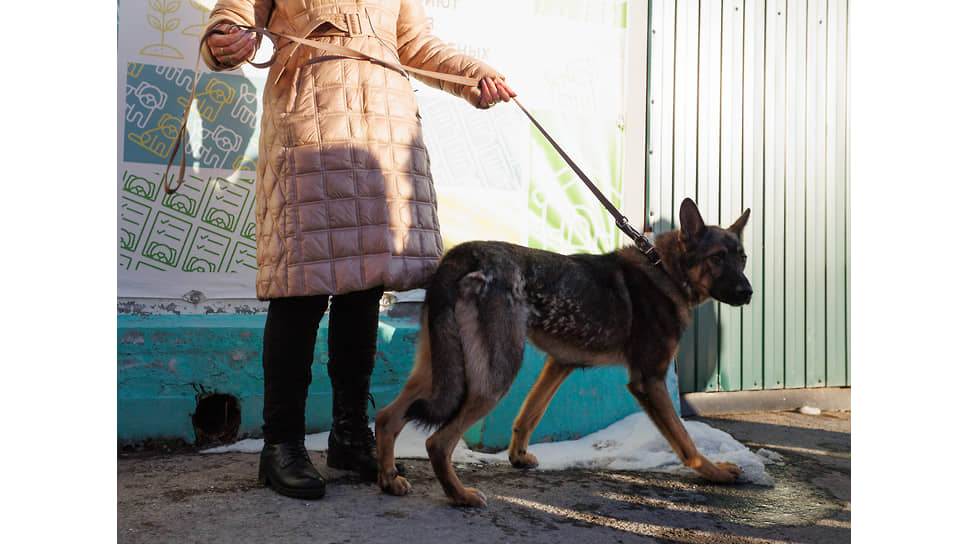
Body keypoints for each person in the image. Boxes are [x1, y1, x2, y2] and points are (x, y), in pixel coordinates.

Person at [201, 0, 515, 500]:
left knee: (364, 288)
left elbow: (413, 45)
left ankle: (350, 434)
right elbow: (234, 15)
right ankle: (280, 445)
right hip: (311, 130)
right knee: (299, 292)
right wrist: (225, 37)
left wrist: (471, 75)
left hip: (382, 137)